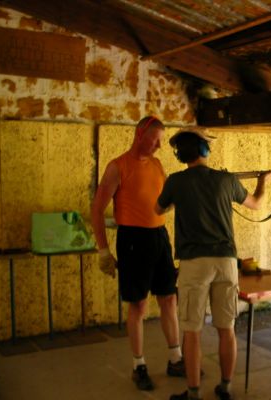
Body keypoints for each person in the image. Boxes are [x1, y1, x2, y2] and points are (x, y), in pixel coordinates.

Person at [156, 128, 271, 400]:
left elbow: (157, 209)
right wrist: (263, 181)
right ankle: (225, 388)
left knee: (192, 331)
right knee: (226, 328)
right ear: (204, 150)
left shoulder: (175, 182)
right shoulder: (227, 179)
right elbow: (256, 203)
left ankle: (193, 393)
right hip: (225, 261)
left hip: (193, 264)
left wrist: (178, 199)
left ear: (181, 154)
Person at [91, 116, 185, 391]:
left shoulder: (157, 165)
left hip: (159, 237)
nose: (159, 146)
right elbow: (97, 209)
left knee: (169, 298)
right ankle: (139, 365)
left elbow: (165, 198)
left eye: (161, 141)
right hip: (132, 240)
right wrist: (103, 250)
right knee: (138, 305)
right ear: (140, 134)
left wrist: (172, 204)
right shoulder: (117, 167)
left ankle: (175, 359)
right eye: (155, 140)